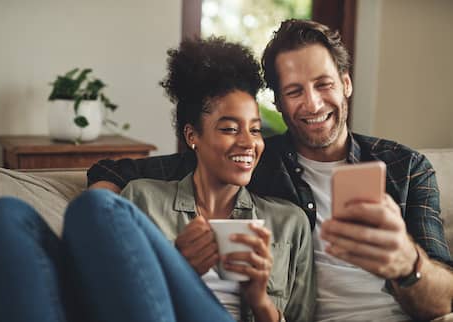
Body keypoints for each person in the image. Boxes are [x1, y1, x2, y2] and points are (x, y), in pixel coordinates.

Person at [88, 19, 453, 321]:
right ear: (277, 102)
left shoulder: (405, 167)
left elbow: (444, 299)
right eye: (294, 91)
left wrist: (408, 261)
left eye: (323, 84)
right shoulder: (256, 161)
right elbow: (118, 170)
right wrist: (107, 234)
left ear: (345, 83)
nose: (312, 103)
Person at [0, 38, 315, 322]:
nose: (248, 143)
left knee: (97, 206)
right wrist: (177, 266)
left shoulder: (288, 222)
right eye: (229, 129)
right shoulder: (144, 200)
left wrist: (260, 301)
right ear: (192, 136)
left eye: (255, 130)